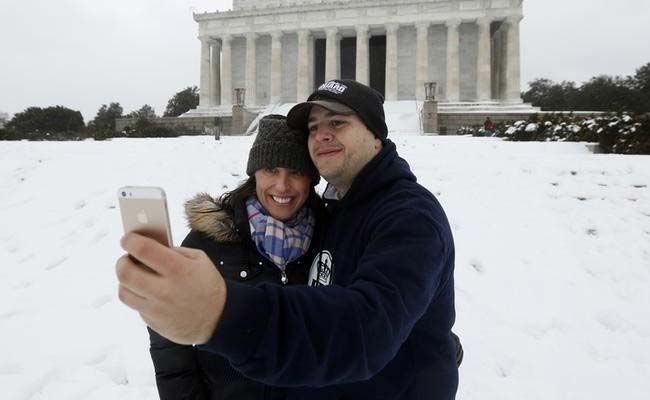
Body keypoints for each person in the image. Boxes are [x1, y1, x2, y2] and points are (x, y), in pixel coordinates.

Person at [116, 80, 459, 400]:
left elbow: (366, 329)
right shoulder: (337, 211)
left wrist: (222, 313)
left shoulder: (408, 215)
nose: (322, 135)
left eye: (337, 123)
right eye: (314, 127)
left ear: (375, 134)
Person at [146, 114, 323, 399]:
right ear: (254, 174)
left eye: (296, 172)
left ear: (311, 178)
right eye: (270, 170)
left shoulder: (328, 239)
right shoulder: (209, 241)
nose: (282, 185)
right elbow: (168, 337)